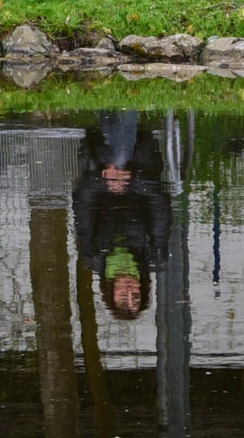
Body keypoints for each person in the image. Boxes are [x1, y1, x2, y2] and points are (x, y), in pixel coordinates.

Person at [73, 111, 172, 318]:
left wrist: (107, 180)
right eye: (135, 296)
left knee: (117, 154)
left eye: (122, 296)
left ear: (111, 292)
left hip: (100, 167)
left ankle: (123, 109)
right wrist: (131, 179)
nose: (128, 291)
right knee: (120, 154)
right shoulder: (154, 255)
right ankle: (115, 108)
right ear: (142, 289)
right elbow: (160, 203)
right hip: (141, 164)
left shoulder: (92, 255)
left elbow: (83, 200)